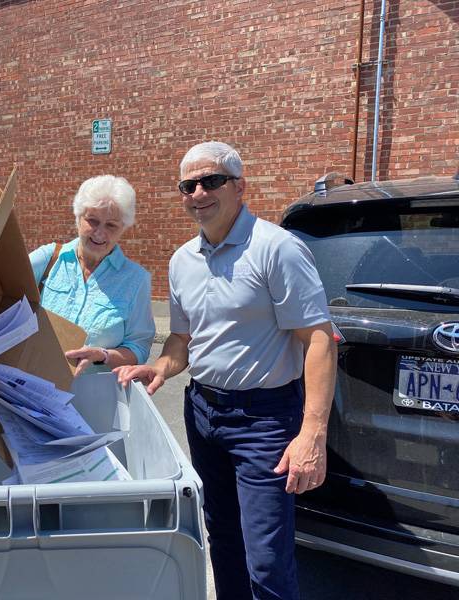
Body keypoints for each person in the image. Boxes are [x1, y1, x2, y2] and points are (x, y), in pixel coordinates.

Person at [115, 142, 337, 600]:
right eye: (188, 185)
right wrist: (157, 368)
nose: (198, 192)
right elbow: (181, 341)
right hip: (202, 413)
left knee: (267, 560)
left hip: (265, 420)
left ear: (239, 187)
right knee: (222, 541)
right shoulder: (181, 261)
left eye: (211, 181)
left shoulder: (277, 248)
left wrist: (312, 432)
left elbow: (317, 340)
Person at [29, 175, 155, 376]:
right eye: (92, 221)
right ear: (78, 218)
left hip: (94, 395)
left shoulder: (136, 280)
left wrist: (103, 355)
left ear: (123, 228)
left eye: (111, 225)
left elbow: (138, 347)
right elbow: (3, 282)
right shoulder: (50, 258)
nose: (100, 233)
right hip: (34, 382)